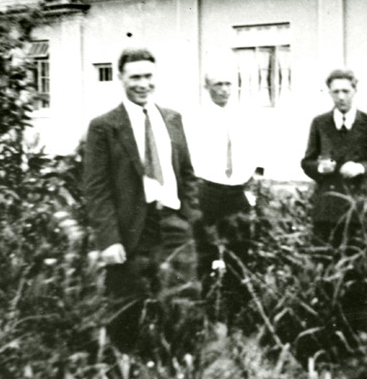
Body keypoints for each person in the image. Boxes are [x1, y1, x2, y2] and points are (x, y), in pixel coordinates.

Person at [82, 47, 199, 349]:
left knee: (182, 301)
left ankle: (180, 372)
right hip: (130, 227)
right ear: (120, 78)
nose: (143, 84)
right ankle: (126, 373)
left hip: (173, 222)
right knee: (125, 306)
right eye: (135, 77)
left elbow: (186, 173)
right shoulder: (104, 126)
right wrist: (108, 240)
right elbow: (97, 188)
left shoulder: (173, 118)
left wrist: (188, 216)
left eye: (148, 76)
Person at [187, 62, 262, 315]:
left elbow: (256, 150)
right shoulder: (194, 117)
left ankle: (236, 310)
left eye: (228, 84)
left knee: (239, 250)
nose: (224, 90)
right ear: (206, 86)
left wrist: (252, 184)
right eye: (218, 84)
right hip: (207, 190)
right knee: (204, 250)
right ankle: (205, 308)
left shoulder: (245, 115)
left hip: (237, 191)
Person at [300, 68, 367, 245]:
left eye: (346, 91)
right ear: (329, 93)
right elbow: (307, 162)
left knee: (357, 261)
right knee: (325, 261)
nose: (341, 97)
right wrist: (319, 168)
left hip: (358, 205)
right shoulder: (320, 123)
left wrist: (360, 168)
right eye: (336, 92)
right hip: (327, 206)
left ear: (354, 92)